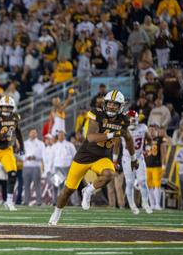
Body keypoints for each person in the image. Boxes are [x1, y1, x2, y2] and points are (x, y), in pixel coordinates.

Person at [48, 90, 138, 225]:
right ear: (105, 103)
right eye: (110, 104)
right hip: (84, 156)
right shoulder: (97, 114)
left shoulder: (123, 120)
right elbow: (90, 137)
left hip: (102, 157)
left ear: (121, 106)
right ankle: (57, 212)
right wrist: (113, 134)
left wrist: (133, 158)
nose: (112, 107)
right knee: (68, 190)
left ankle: (88, 191)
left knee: (109, 174)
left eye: (115, 104)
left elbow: (128, 139)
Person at [118, 110, 153, 215]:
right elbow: (116, 145)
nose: (132, 122)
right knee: (129, 183)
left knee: (143, 181)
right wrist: (115, 159)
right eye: (130, 120)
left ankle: (145, 203)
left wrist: (147, 148)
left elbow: (150, 140)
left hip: (139, 157)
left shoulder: (142, 128)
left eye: (134, 120)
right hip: (127, 158)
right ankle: (132, 205)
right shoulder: (122, 129)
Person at [50, 130, 76, 206]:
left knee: (69, 185)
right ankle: (55, 201)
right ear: (57, 136)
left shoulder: (69, 145)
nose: (61, 136)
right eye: (59, 135)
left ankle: (73, 202)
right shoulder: (54, 146)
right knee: (56, 185)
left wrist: (73, 167)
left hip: (67, 167)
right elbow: (52, 158)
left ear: (64, 135)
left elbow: (75, 156)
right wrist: (51, 169)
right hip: (57, 167)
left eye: (62, 135)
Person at [145, 123, 167, 211]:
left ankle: (158, 204)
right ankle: (152, 204)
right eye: (150, 129)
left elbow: (163, 152)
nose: (151, 131)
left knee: (157, 185)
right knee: (149, 186)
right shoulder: (145, 139)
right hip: (147, 166)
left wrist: (164, 164)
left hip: (157, 165)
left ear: (156, 130)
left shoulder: (160, 139)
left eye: (153, 130)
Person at [23, 129, 45, 206]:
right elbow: (20, 154)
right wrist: (25, 157)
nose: (33, 134)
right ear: (29, 134)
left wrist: (35, 157)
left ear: (36, 134)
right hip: (26, 166)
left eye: (34, 133)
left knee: (37, 185)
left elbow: (43, 155)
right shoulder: (25, 143)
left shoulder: (41, 143)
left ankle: (39, 202)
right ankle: (26, 201)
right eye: (31, 132)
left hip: (36, 166)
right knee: (26, 185)